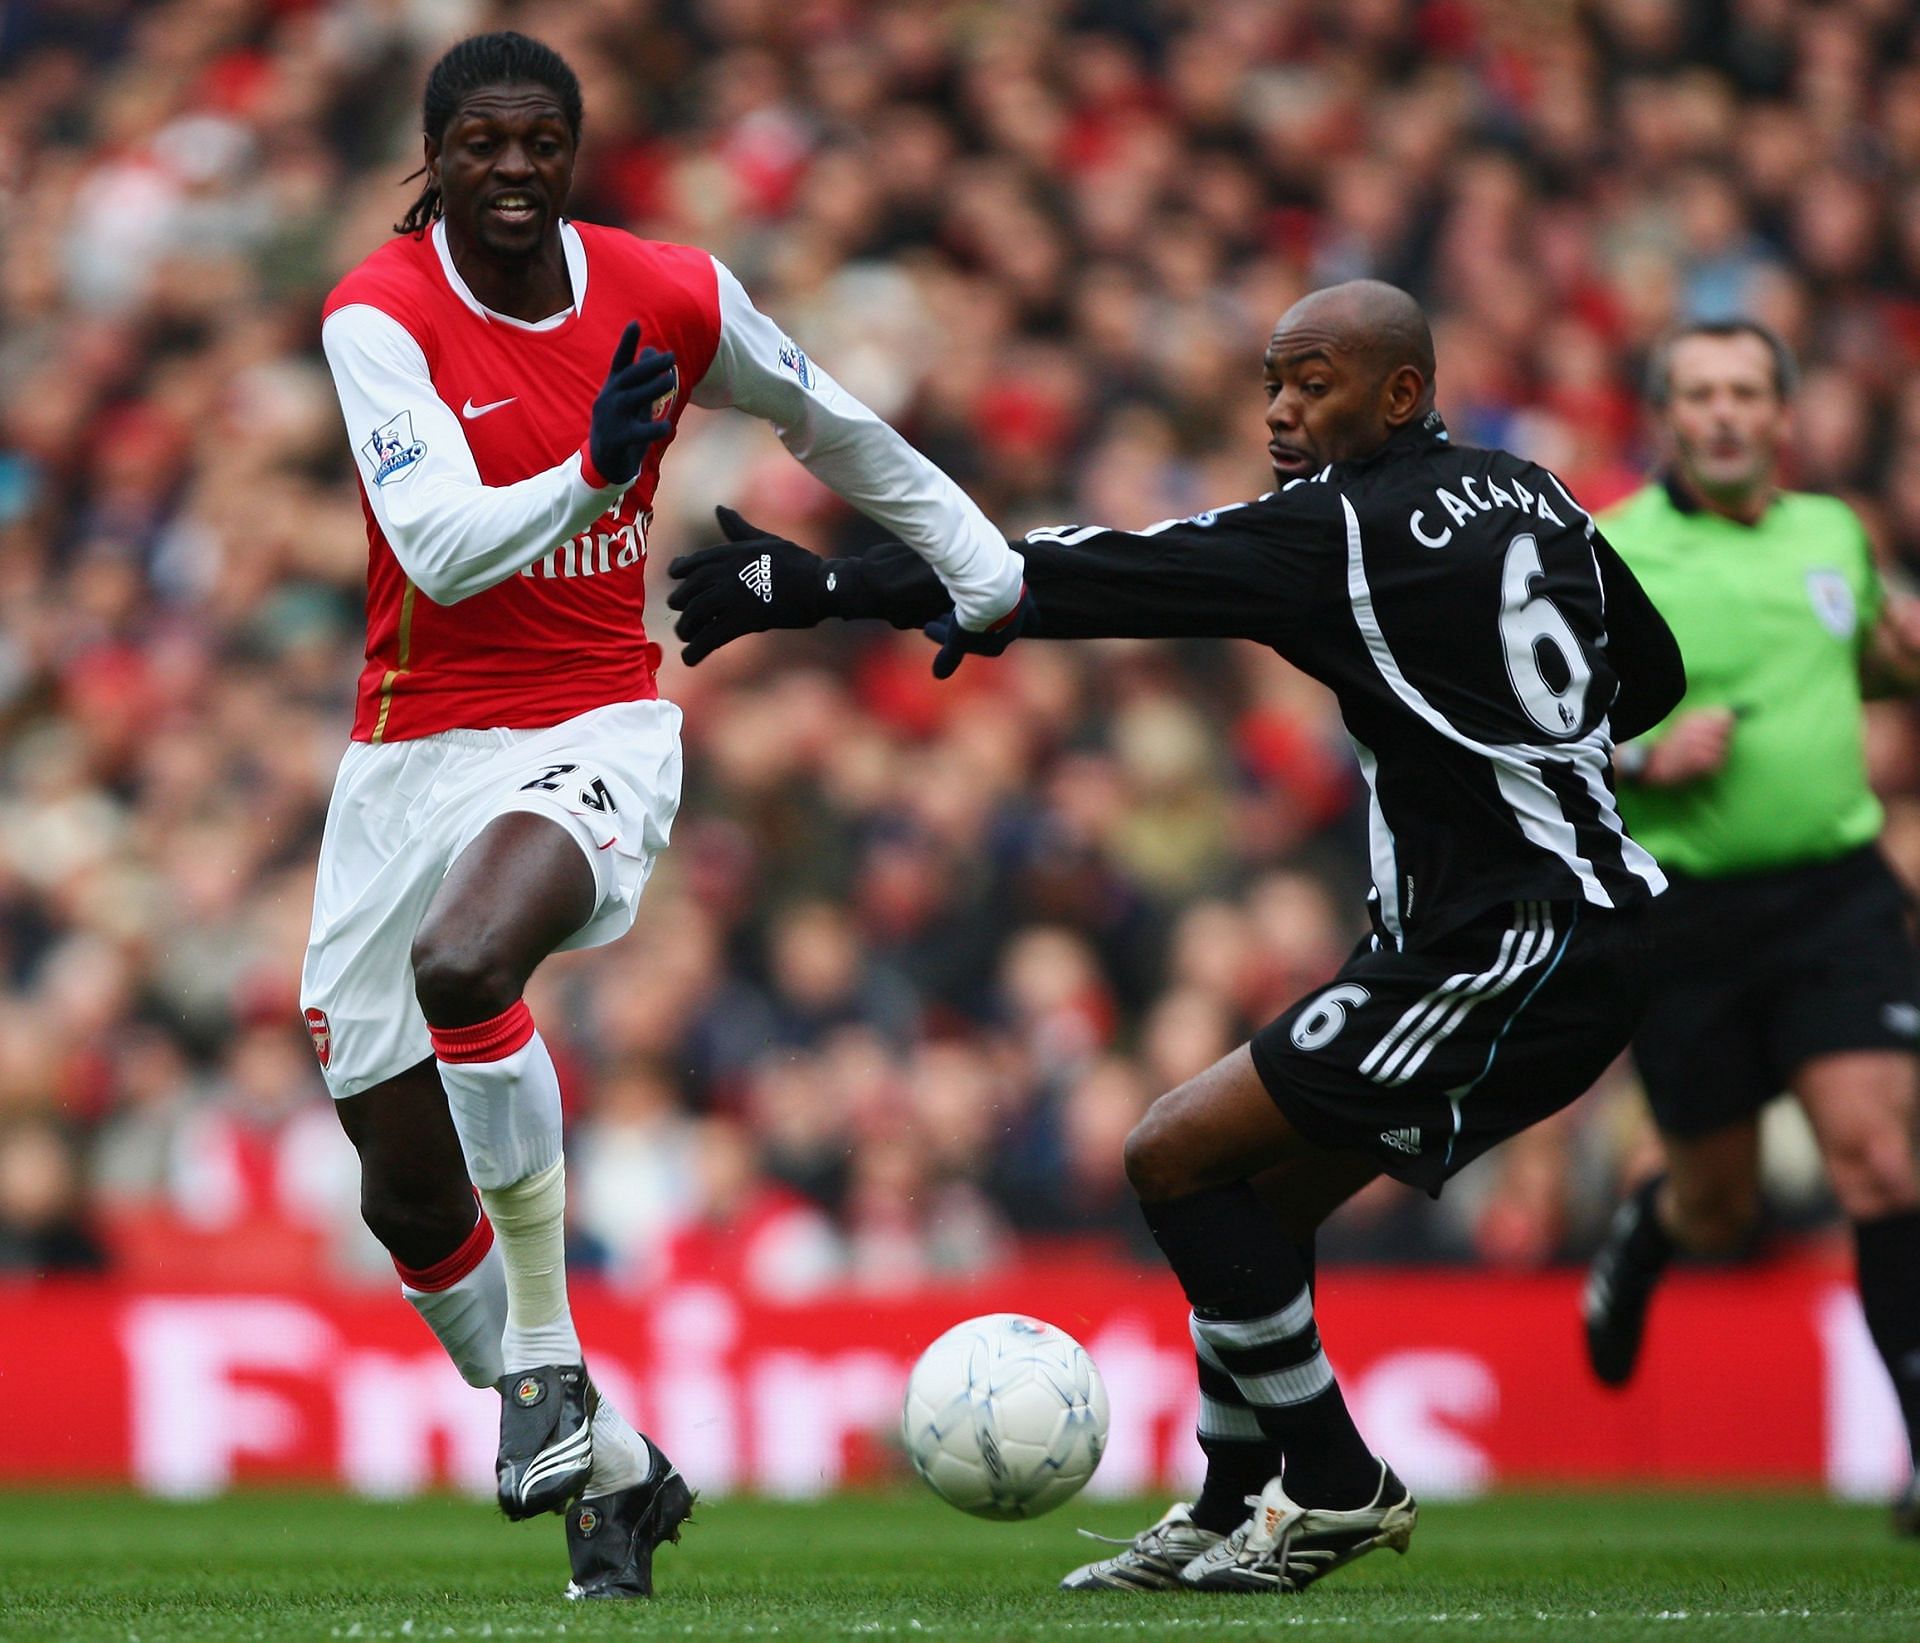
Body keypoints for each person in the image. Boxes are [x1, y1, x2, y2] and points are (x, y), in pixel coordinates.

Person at [666, 278, 1686, 1594]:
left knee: (1170, 1152)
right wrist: (1537, 753)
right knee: (1252, 1198)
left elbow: (1058, 574)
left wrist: (818, 583)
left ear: (1400, 393)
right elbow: (1647, 670)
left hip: (1515, 936)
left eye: (1310, 383)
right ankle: (1232, 1496)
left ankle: (1333, 1481)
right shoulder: (1537, 491)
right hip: (1568, 923)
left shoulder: (1335, 529)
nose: (1277, 408)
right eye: (1271, 381)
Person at [303, 31, 1028, 1599]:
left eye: (540, 141)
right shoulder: (377, 311)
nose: (513, 168)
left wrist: (986, 569)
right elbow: (432, 546)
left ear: (575, 151)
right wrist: (590, 473)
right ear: (435, 158)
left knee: (467, 964)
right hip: (404, 749)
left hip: (592, 724)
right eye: (482, 143)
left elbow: (831, 420)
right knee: (401, 1178)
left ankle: (550, 1363)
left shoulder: (670, 290)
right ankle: (613, 1471)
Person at [1576, 319, 1920, 1530]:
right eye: (1700, 393)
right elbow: (1533, 728)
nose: (1723, 412)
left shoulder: (1834, 533)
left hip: (1835, 890)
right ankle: (1650, 1226)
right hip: (1691, 916)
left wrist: (1900, 656)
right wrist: (1642, 754)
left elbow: (1866, 661)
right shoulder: (1610, 547)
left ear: (1783, 415)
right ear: (1666, 415)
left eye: (1746, 392)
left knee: (1876, 1154)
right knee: (1719, 1206)